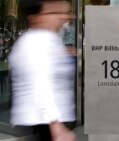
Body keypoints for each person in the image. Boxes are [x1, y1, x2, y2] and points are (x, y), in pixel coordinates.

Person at [8, 1, 76, 141]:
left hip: (47, 118)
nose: (63, 17)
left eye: (63, 13)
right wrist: (56, 126)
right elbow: (41, 85)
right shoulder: (36, 43)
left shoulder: (48, 39)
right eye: (53, 13)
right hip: (44, 119)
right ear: (36, 17)